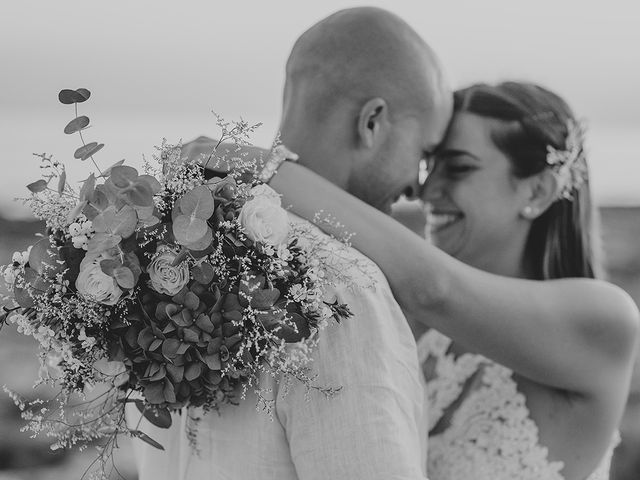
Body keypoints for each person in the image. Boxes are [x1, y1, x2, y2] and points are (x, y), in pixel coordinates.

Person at [256, 81, 640, 480]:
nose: (426, 190)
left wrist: (260, 167)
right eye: (429, 163)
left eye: (458, 167)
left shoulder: (606, 321)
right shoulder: (418, 331)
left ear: (538, 189)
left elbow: (435, 289)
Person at [129, 7, 452, 480]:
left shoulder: (163, 255)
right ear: (373, 122)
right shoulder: (341, 288)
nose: (417, 188)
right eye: (423, 155)